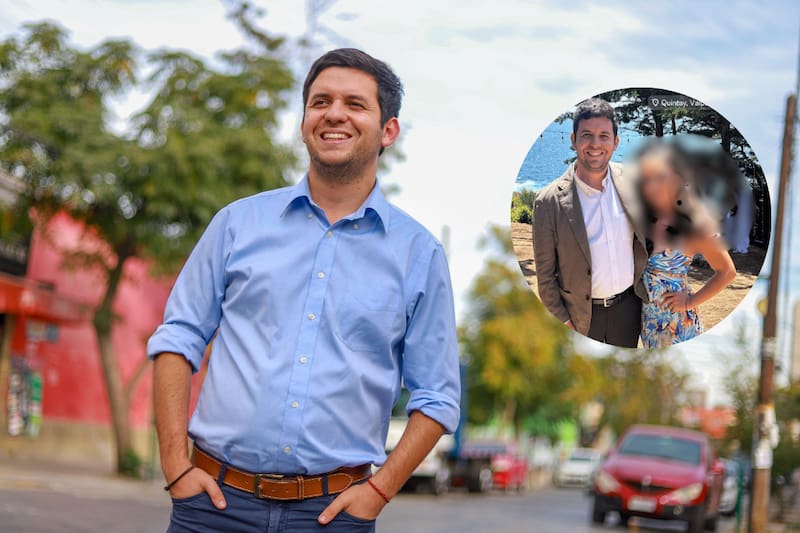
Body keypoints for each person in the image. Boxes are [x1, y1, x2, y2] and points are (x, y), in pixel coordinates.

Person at [147, 48, 461, 533]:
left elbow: (437, 397)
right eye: (320, 101)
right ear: (304, 121)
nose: (334, 113)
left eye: (355, 104)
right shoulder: (237, 224)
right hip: (213, 507)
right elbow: (178, 338)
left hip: (332, 516)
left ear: (388, 132)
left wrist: (377, 493)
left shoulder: (419, 255)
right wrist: (174, 464)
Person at [533, 98, 648, 348]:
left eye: (603, 136)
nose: (595, 144)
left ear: (615, 142)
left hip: (629, 309)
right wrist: (567, 324)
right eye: (587, 135)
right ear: (573, 140)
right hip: (581, 318)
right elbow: (545, 278)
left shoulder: (634, 182)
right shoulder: (548, 201)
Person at [637, 140, 736, 348]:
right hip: (649, 324)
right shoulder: (645, 218)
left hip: (680, 326)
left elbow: (727, 272)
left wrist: (690, 301)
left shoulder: (696, 223)